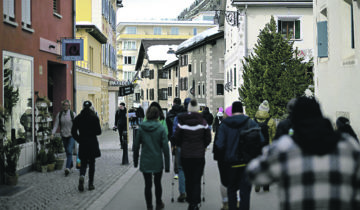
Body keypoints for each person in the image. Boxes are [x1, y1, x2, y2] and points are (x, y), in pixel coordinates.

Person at [246, 96, 360, 210]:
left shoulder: (284, 147)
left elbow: (254, 174)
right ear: (320, 115)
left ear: (294, 119)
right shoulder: (348, 145)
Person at [215, 101, 263, 210]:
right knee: (245, 192)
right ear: (242, 110)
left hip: (231, 163)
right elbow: (261, 140)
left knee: (231, 190)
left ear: (232, 111)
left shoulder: (225, 124)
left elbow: (219, 144)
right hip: (247, 163)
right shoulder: (251, 123)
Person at [173, 99, 211, 210]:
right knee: (197, 179)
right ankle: (196, 202)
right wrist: (202, 145)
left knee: (189, 179)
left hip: (186, 155)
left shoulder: (182, 121)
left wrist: (181, 145)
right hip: (199, 155)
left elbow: (176, 137)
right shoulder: (203, 121)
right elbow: (208, 137)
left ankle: (190, 201)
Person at [133, 106, 170, 210]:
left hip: (145, 160)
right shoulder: (161, 128)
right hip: (157, 160)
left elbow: (136, 146)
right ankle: (158, 203)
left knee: (147, 185)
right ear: (157, 115)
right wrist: (167, 166)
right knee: (158, 183)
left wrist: (135, 161)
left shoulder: (141, 128)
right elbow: (166, 148)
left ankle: (149, 206)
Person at [71, 101, 102, 192]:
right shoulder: (94, 117)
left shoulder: (78, 118)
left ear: (83, 107)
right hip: (92, 143)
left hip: (83, 143)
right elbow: (99, 132)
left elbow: (73, 132)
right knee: (92, 163)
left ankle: (82, 176)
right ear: (91, 107)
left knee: (83, 162)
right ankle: (91, 184)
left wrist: (79, 139)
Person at [171, 97, 191, 202]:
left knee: (181, 169)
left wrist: (174, 144)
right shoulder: (198, 117)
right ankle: (191, 191)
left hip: (181, 146)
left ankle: (183, 192)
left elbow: (174, 132)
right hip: (194, 147)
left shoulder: (178, 117)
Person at [253, 100, 276, 192]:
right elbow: (274, 136)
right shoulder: (271, 121)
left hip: (255, 147)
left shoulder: (253, 121)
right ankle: (266, 186)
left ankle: (257, 184)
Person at [213, 105, 232, 210]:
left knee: (224, 181)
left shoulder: (221, 127)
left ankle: (225, 202)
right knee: (234, 179)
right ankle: (237, 199)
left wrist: (216, 156)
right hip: (236, 157)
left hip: (223, 158)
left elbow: (217, 144)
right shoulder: (240, 125)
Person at [51, 99, 76, 176]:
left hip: (71, 135)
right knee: (67, 151)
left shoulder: (73, 114)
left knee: (69, 150)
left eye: (67, 105)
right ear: (63, 106)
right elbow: (56, 125)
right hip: (63, 135)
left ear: (69, 106)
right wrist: (52, 133)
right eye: (64, 105)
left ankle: (67, 168)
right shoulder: (60, 114)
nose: (66, 106)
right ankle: (71, 165)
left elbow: (77, 125)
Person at [166, 98, 184, 180]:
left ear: (173, 103)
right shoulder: (184, 112)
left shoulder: (170, 113)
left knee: (175, 153)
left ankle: (176, 171)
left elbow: (167, 126)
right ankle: (182, 169)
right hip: (182, 136)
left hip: (172, 137)